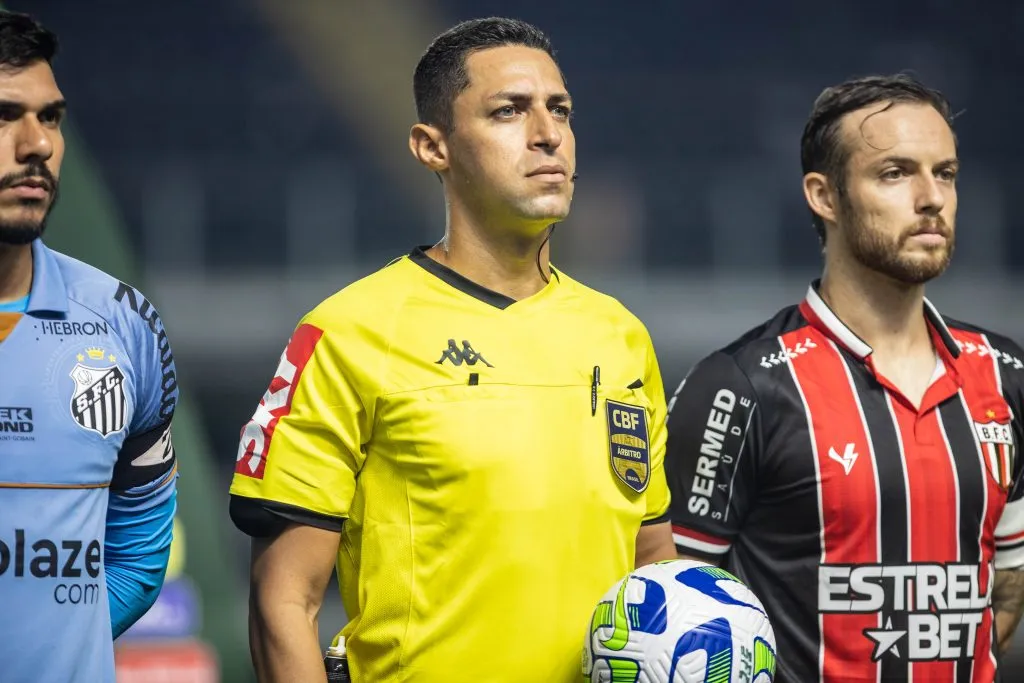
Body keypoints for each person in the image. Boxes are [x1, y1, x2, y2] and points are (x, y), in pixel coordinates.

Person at [228, 16, 676, 683]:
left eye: (560, 110)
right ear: (432, 147)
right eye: (508, 111)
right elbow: (284, 600)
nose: (548, 133)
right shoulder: (349, 332)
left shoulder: (620, 336)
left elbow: (653, 571)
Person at [666, 73, 1024, 682]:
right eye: (895, 173)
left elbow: (1007, 589)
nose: (931, 197)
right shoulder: (740, 388)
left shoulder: (1005, 374)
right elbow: (670, 616)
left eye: (945, 173)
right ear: (824, 196)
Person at [0, 10, 179, 683]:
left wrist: (49, 643)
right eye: (4, 116)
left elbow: (137, 558)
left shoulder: (124, 324)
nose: (36, 144)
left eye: (50, 117)